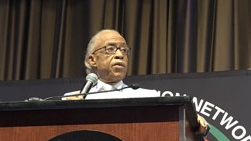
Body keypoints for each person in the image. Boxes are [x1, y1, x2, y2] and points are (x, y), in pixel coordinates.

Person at [66, 29, 209, 135]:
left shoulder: (148, 98)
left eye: (124, 50)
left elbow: (178, 136)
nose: (120, 55)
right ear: (92, 60)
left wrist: (190, 123)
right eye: (110, 49)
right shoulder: (71, 101)